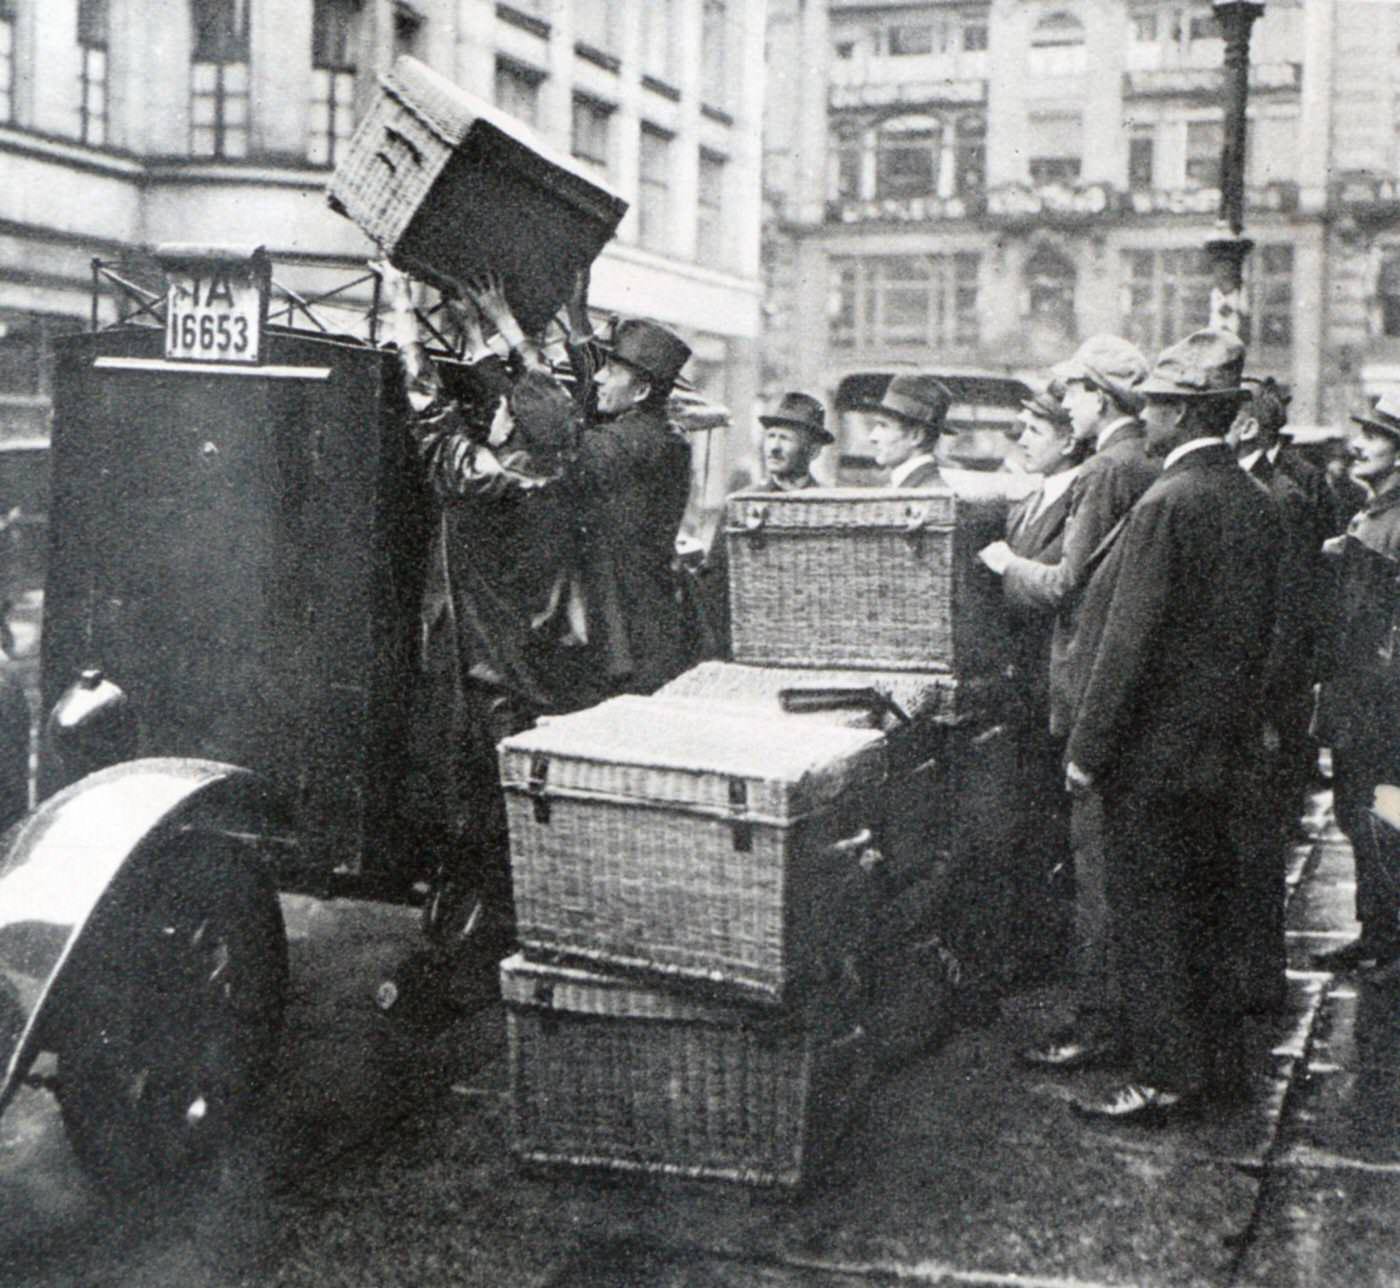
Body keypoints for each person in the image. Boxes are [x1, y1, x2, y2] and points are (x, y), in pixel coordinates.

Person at [1063, 329, 1281, 1125]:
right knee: (1208, 911)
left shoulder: (1167, 502)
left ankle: (1165, 1075)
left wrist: (1087, 753)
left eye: (1155, 404)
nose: (1146, 416)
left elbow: (1128, 643)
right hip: (1219, 751)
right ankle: (1217, 1069)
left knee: (1152, 916)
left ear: (1184, 414)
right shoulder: (1252, 502)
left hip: (1152, 757)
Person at [979, 334, 1156, 1071]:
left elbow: (1064, 586)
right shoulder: (1137, 463)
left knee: (1097, 873)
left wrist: (1006, 562)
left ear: (1098, 398)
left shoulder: (1106, 471)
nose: (1068, 407)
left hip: (1087, 689)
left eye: (1075, 394)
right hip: (1118, 693)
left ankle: (1096, 1025)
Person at [1226, 377, 1325, 1011]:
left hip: (1262, 701)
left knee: (1254, 844)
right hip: (1256, 698)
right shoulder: (1261, 488)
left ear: (1244, 428)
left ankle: (1258, 984)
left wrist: (1263, 707)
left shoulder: (1277, 495)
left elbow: (1286, 614)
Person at [998, 386, 1090, 981]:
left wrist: (1005, 565)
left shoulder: (1077, 496)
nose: (1022, 439)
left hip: (1047, 682)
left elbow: (1062, 585)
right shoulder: (1033, 497)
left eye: (1035, 429)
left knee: (1045, 823)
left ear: (1068, 439)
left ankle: (1045, 954)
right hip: (1022, 680)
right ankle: (1031, 947)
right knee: (1024, 820)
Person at [1311, 392, 1400, 972]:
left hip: (1384, 699)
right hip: (1360, 693)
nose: (1359, 442)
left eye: (1377, 434)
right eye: (1362, 430)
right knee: (1356, 811)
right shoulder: (1373, 511)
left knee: (1384, 815)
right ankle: (1377, 932)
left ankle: (1389, 939)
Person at [574, 315, 695, 697]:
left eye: (610, 371)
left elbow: (555, 429)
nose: (599, 379)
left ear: (641, 390)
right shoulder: (666, 437)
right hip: (653, 623)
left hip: (620, 632)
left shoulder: (623, 444)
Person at [858, 374, 954, 487]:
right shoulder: (912, 484)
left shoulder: (928, 491)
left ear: (916, 436)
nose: (872, 437)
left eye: (883, 426)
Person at [758, 391, 833, 491]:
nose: (774, 447)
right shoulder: (746, 501)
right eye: (771, 436)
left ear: (813, 451)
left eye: (785, 438)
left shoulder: (827, 500)